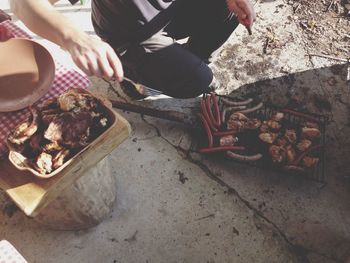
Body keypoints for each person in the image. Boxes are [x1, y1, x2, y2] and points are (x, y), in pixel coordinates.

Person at [10, 0, 256, 98]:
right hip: (129, 33)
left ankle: (191, 61)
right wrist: (75, 39)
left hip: (176, 10)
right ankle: (133, 75)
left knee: (230, 11)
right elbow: (23, 4)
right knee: (198, 82)